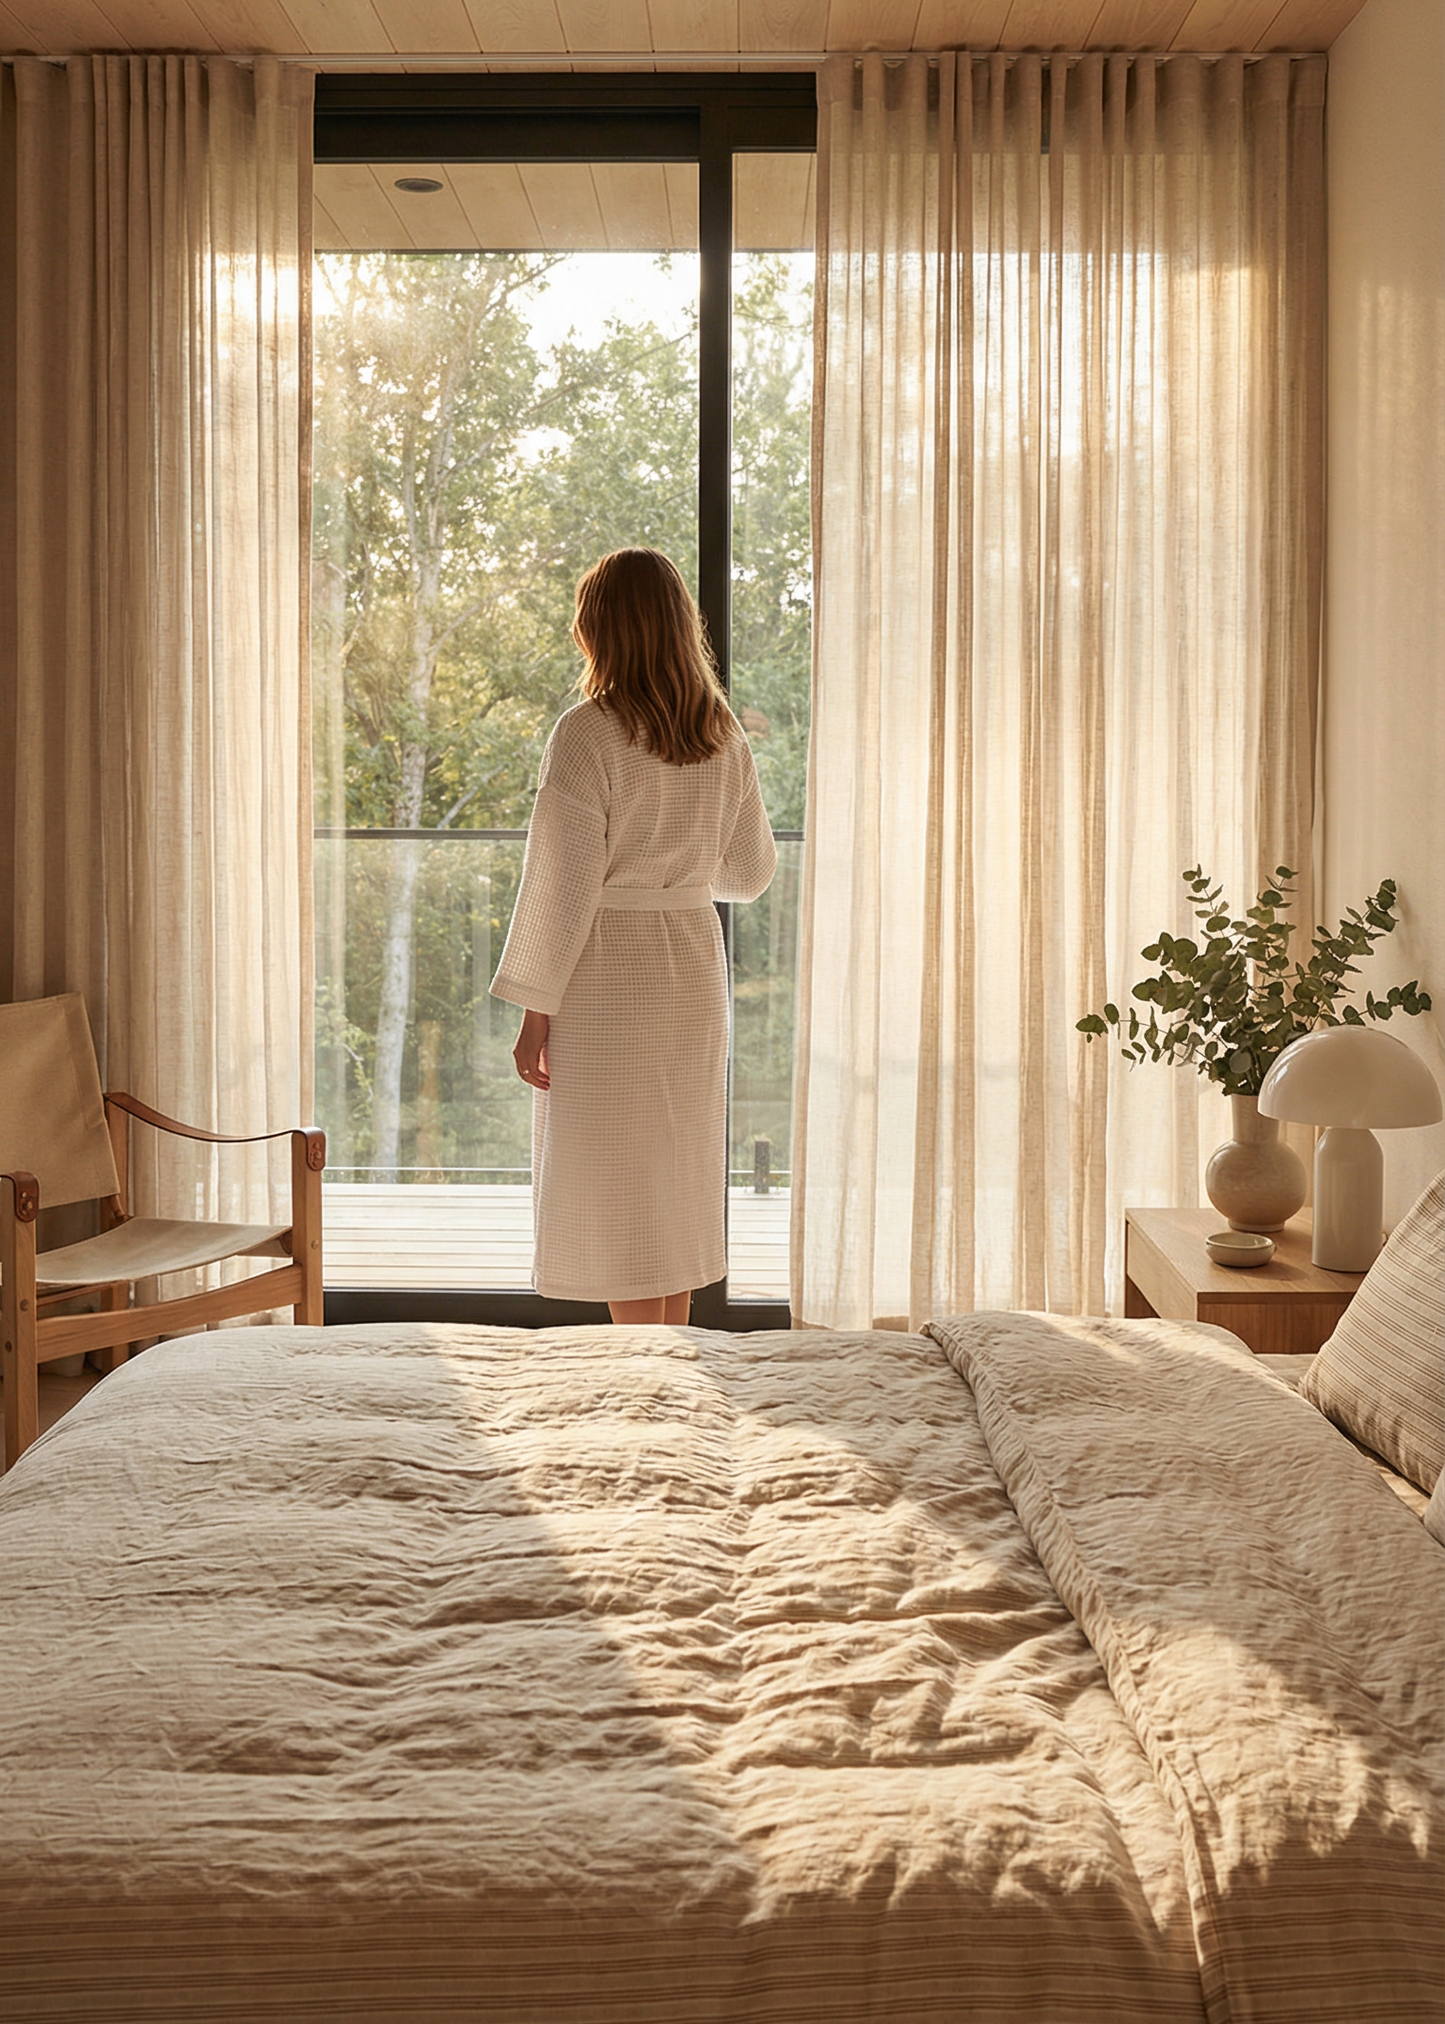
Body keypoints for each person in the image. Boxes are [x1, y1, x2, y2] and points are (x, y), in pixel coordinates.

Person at [489, 548, 777, 1324]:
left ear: (604, 629)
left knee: (617, 1180)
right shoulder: (721, 735)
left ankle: (635, 1374)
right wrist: (675, 879)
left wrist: (532, 1013)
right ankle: (669, 1363)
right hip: (688, 964)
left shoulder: (587, 732)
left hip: (608, 974)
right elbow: (748, 875)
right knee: (672, 1173)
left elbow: (560, 883)